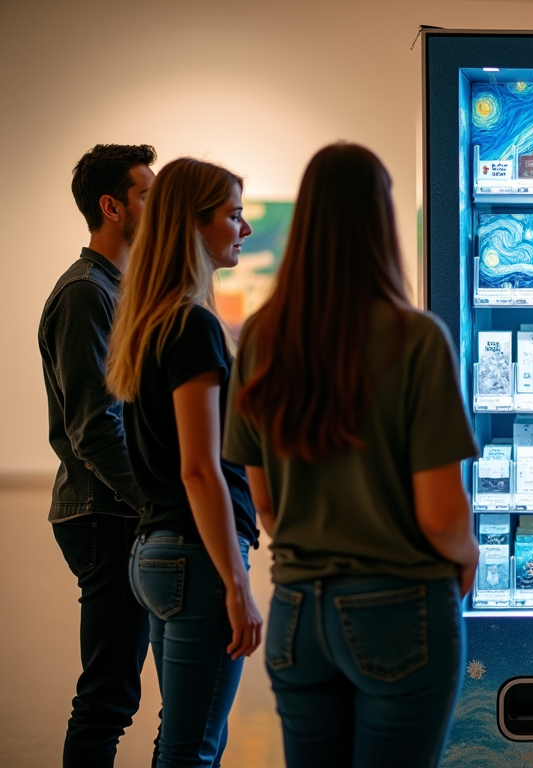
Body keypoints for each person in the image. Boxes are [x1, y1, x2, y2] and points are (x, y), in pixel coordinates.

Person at [222, 143, 479, 767]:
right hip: (401, 611)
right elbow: (441, 516)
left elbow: (266, 506)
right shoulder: (416, 338)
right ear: (379, 221)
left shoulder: (261, 337)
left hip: (296, 614)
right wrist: (470, 554)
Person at [105, 157, 262, 767]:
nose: (243, 229)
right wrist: (236, 583)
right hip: (196, 558)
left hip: (159, 550)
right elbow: (200, 468)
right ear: (194, 226)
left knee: (185, 737)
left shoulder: (150, 320)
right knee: (192, 747)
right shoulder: (192, 326)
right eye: (232, 214)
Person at [38, 143, 157, 767]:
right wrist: (156, 503)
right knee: (108, 698)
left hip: (120, 511)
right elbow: (95, 427)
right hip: (105, 514)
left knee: (116, 695)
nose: (159, 204)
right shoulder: (87, 293)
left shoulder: (119, 288)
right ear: (111, 207)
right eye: (146, 193)